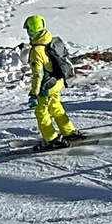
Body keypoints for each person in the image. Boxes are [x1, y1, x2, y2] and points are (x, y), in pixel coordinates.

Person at [24, 14, 79, 147]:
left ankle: (51, 139)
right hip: (57, 82)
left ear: (31, 31)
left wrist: (34, 93)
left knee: (41, 112)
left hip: (46, 86)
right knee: (55, 107)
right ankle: (69, 132)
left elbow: (38, 75)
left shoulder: (36, 50)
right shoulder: (50, 40)